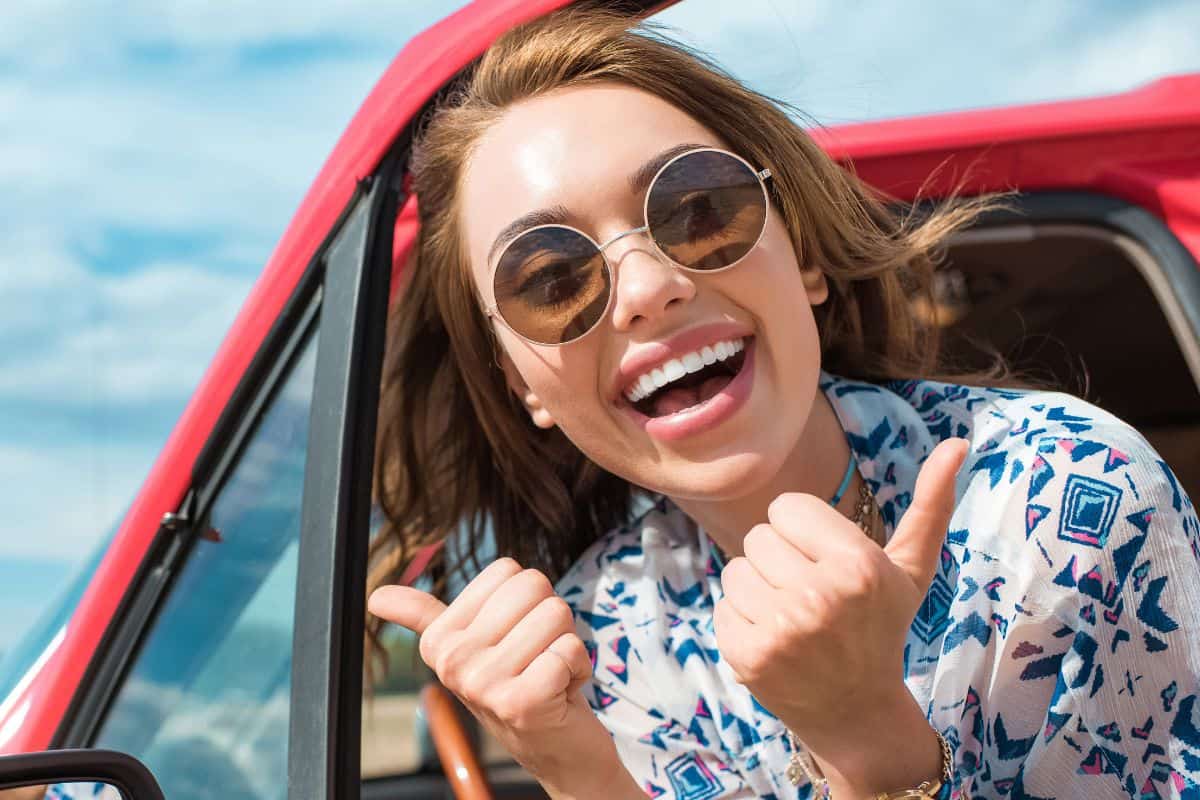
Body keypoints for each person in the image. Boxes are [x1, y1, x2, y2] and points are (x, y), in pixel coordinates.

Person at [366, 7, 1200, 799]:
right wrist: (576, 773)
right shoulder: (599, 644)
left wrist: (866, 739)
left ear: (801, 257)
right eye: (550, 281)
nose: (650, 289)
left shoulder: (1066, 499)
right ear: (521, 383)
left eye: (697, 210)